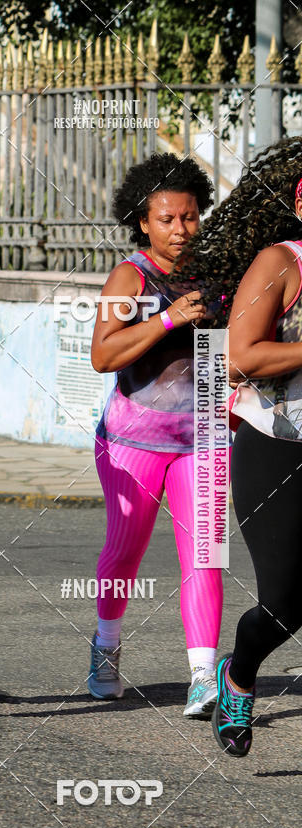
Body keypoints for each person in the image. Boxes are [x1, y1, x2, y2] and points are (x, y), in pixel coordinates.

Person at [177, 135, 302, 756]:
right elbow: (242, 356)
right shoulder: (281, 262)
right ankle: (238, 672)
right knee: (284, 603)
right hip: (278, 446)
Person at [88, 152, 224, 718]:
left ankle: (203, 676)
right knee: (126, 549)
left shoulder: (219, 271)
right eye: (166, 219)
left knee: (206, 554)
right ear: (143, 221)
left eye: (189, 217)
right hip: (133, 439)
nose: (179, 230)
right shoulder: (131, 276)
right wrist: (168, 320)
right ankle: (106, 646)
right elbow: (104, 353)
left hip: (205, 435)